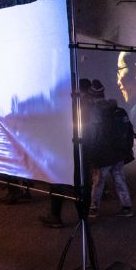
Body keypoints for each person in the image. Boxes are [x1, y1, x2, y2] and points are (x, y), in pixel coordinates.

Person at [39, 78, 95, 227]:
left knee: (58, 182)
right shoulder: (90, 104)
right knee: (82, 183)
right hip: (83, 150)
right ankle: (82, 218)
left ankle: (56, 216)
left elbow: (59, 128)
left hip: (69, 150)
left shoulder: (72, 106)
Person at [88, 99, 135, 218]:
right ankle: (127, 207)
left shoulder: (102, 116)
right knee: (120, 180)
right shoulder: (121, 113)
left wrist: (93, 156)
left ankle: (93, 208)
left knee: (98, 181)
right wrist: (127, 149)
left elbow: (97, 137)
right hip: (119, 154)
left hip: (104, 156)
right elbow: (130, 131)